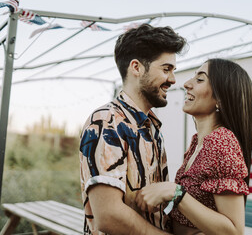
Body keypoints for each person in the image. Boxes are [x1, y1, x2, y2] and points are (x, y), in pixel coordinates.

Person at [79, 24, 187, 234]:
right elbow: (109, 216)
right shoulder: (107, 122)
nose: (172, 80)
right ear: (136, 67)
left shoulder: (151, 127)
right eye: (166, 69)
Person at [136, 58, 252, 235]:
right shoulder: (198, 142)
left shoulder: (221, 142)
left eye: (200, 79)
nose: (186, 84)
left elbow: (234, 232)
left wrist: (175, 192)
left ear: (221, 98)